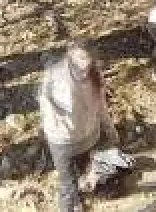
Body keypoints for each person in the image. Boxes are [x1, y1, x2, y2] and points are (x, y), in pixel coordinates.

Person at [39, 45, 119, 212]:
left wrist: (111, 130)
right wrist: (58, 120)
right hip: (63, 142)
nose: (84, 66)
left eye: (87, 61)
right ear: (69, 56)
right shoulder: (54, 77)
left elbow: (102, 107)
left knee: (84, 173)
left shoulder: (95, 76)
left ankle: (79, 200)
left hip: (88, 138)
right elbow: (46, 106)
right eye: (79, 60)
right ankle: (71, 205)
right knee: (68, 185)